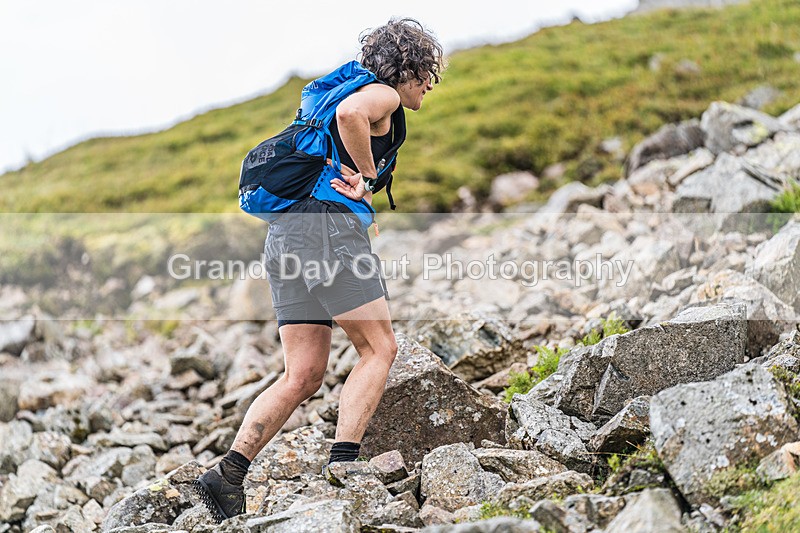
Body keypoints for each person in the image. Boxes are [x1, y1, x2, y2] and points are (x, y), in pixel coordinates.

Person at [195, 18, 444, 521]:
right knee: (379, 348)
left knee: (303, 373)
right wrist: (367, 181)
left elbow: (341, 121)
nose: (429, 86)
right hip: (327, 232)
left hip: (285, 237)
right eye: (427, 74)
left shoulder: (329, 97)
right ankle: (344, 468)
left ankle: (226, 477)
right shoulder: (381, 96)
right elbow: (355, 115)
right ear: (410, 68)